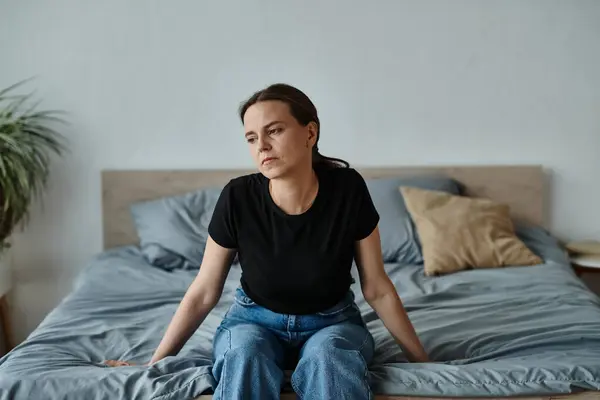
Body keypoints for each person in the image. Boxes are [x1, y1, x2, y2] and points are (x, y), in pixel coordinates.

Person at [107, 83, 430, 399]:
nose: (261, 145)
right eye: (251, 137)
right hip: (252, 321)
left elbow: (376, 286)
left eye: (274, 130)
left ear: (310, 133)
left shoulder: (347, 188)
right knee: (244, 356)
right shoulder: (237, 196)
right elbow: (204, 291)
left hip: (332, 324)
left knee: (329, 359)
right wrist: (154, 362)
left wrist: (423, 362)